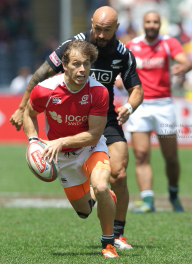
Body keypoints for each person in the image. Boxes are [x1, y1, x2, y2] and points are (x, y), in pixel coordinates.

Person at [10, 6, 143, 248]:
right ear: (91, 23)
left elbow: (137, 89)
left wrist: (130, 107)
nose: (101, 35)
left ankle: (117, 234)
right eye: (97, 29)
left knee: (119, 173)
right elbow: (40, 75)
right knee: (84, 211)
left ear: (117, 28)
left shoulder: (123, 53)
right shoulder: (73, 46)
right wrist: (21, 108)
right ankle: (97, 194)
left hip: (105, 117)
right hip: (73, 120)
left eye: (107, 30)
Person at [23, 39, 119, 258]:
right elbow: (29, 114)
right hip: (62, 157)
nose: (82, 69)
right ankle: (99, 193)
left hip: (91, 148)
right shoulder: (44, 90)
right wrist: (33, 141)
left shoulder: (98, 92)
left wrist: (61, 142)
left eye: (86, 63)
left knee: (102, 186)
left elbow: (94, 135)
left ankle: (108, 244)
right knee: (84, 212)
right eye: (76, 63)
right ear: (65, 65)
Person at [125, 11, 192, 212]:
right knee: (141, 155)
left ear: (160, 24)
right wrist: (120, 79)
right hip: (139, 105)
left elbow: (186, 61)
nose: (152, 25)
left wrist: (183, 67)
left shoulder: (168, 43)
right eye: (148, 21)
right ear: (143, 24)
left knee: (171, 157)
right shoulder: (132, 45)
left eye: (155, 22)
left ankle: (173, 194)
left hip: (164, 105)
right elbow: (121, 70)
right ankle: (148, 201)